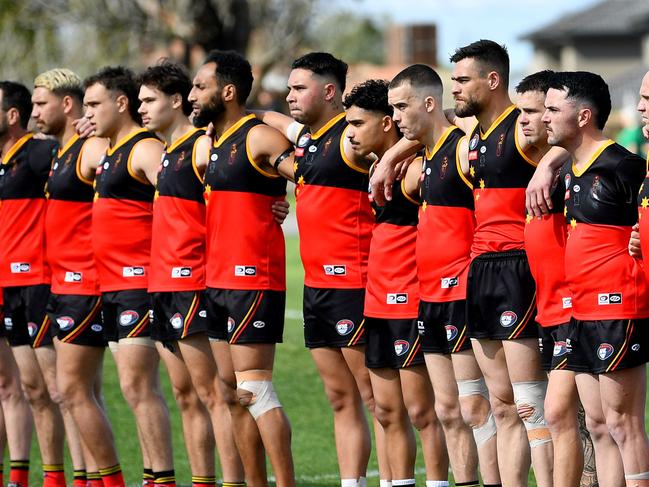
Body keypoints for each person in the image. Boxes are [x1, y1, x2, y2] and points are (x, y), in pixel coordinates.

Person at [257, 51, 388, 487]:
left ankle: (395, 479)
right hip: (315, 290)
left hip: (355, 285)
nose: (291, 96)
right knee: (339, 397)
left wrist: (391, 161)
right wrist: (250, 116)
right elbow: (280, 124)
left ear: (329, 92)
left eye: (299, 89)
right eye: (290, 89)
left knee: (378, 401)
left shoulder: (353, 140)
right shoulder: (309, 141)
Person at [381, 64, 504, 487]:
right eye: (392, 108)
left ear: (429, 103)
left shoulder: (461, 150)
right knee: (447, 411)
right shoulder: (425, 158)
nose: (395, 117)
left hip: (461, 294)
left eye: (402, 106)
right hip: (428, 296)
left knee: (475, 406)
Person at [188, 50, 295, 487]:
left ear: (227, 92)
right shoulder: (211, 142)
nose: (191, 95)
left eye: (200, 87)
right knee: (232, 396)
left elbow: (309, 172)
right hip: (217, 280)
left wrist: (288, 198)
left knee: (256, 391)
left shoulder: (260, 138)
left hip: (253, 279)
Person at [138, 60, 246, 487]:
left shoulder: (201, 145)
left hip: (192, 283)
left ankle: (233, 482)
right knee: (186, 396)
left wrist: (276, 203)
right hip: (162, 284)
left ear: (176, 100)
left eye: (150, 100)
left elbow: (241, 187)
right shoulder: (165, 151)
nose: (142, 108)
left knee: (216, 395)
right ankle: (201, 480)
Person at [544, 70, 649, 487]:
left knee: (624, 424)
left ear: (583, 116)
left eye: (554, 108)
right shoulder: (569, 169)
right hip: (580, 310)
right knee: (601, 425)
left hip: (618, 306)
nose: (546, 117)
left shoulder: (625, 166)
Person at [343, 78, 450, 487]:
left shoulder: (418, 165)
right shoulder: (375, 164)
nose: (349, 131)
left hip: (411, 300)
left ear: (388, 123)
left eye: (358, 122)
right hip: (377, 302)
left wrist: (399, 153)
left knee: (424, 413)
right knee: (385, 412)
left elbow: (451, 121)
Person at [84, 66, 175, 487]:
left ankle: (163, 479)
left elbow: (183, 201)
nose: (88, 113)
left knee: (140, 389)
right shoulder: (110, 148)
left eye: (94, 104)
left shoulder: (144, 148)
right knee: (130, 390)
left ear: (120, 104)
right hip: (112, 286)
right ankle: (151, 477)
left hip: (139, 284)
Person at [31, 67, 121, 487]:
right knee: (79, 393)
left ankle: (111, 482)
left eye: (40, 103)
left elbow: (132, 171)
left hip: (85, 284)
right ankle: (87, 480)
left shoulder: (91, 147)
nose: (34, 113)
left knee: (72, 392)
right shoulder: (63, 150)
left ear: (67, 105)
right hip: (62, 284)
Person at [517, 69, 602, 487]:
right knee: (573, 418)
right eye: (528, 112)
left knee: (564, 413)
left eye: (542, 110)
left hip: (576, 307)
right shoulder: (535, 161)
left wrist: (550, 162)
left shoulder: (570, 161)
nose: (531, 120)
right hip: (549, 309)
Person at [0, 80, 70, 487]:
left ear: (13, 115)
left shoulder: (42, 150)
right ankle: (24, 478)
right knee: (21, 386)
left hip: (38, 281)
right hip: (7, 285)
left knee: (56, 389)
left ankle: (65, 477)